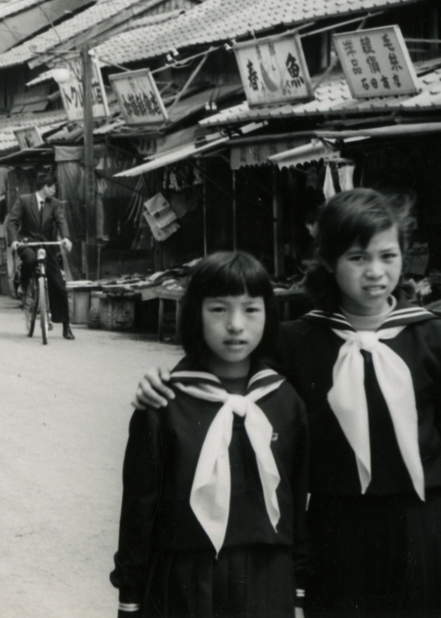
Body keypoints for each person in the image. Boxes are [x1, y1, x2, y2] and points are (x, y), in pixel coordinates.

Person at [134, 189, 441, 617]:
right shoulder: (296, 341)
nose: (375, 272)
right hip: (337, 533)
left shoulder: (438, 340)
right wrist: (164, 380)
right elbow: (227, 373)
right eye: (358, 258)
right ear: (328, 260)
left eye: (388, 256)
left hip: (428, 528)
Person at [111, 252, 308, 617]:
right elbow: (139, 511)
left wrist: (297, 591)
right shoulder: (165, 401)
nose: (236, 325)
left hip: (269, 583)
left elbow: (297, 504)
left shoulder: (285, 401)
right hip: (185, 585)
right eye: (218, 310)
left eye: (251, 309)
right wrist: (130, 598)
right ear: (194, 314)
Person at [6, 171, 75, 340]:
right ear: (45, 187)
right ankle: (23, 284)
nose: (54, 190)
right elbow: (13, 222)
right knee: (30, 260)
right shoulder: (24, 200)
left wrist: (66, 238)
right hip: (28, 243)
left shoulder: (55, 204)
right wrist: (14, 241)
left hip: (47, 247)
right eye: (52, 187)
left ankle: (66, 326)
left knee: (59, 284)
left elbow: (61, 221)